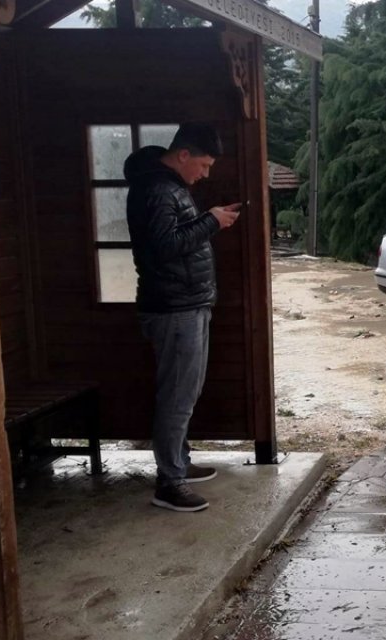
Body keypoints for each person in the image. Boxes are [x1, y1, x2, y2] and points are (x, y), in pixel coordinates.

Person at [125, 123, 241, 512]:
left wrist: (209, 219)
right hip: (174, 308)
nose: (205, 174)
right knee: (178, 394)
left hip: (187, 303)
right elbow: (164, 248)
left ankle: (180, 462)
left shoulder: (167, 186)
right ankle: (169, 481)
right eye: (204, 165)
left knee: (184, 391)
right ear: (183, 155)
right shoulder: (158, 189)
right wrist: (210, 221)